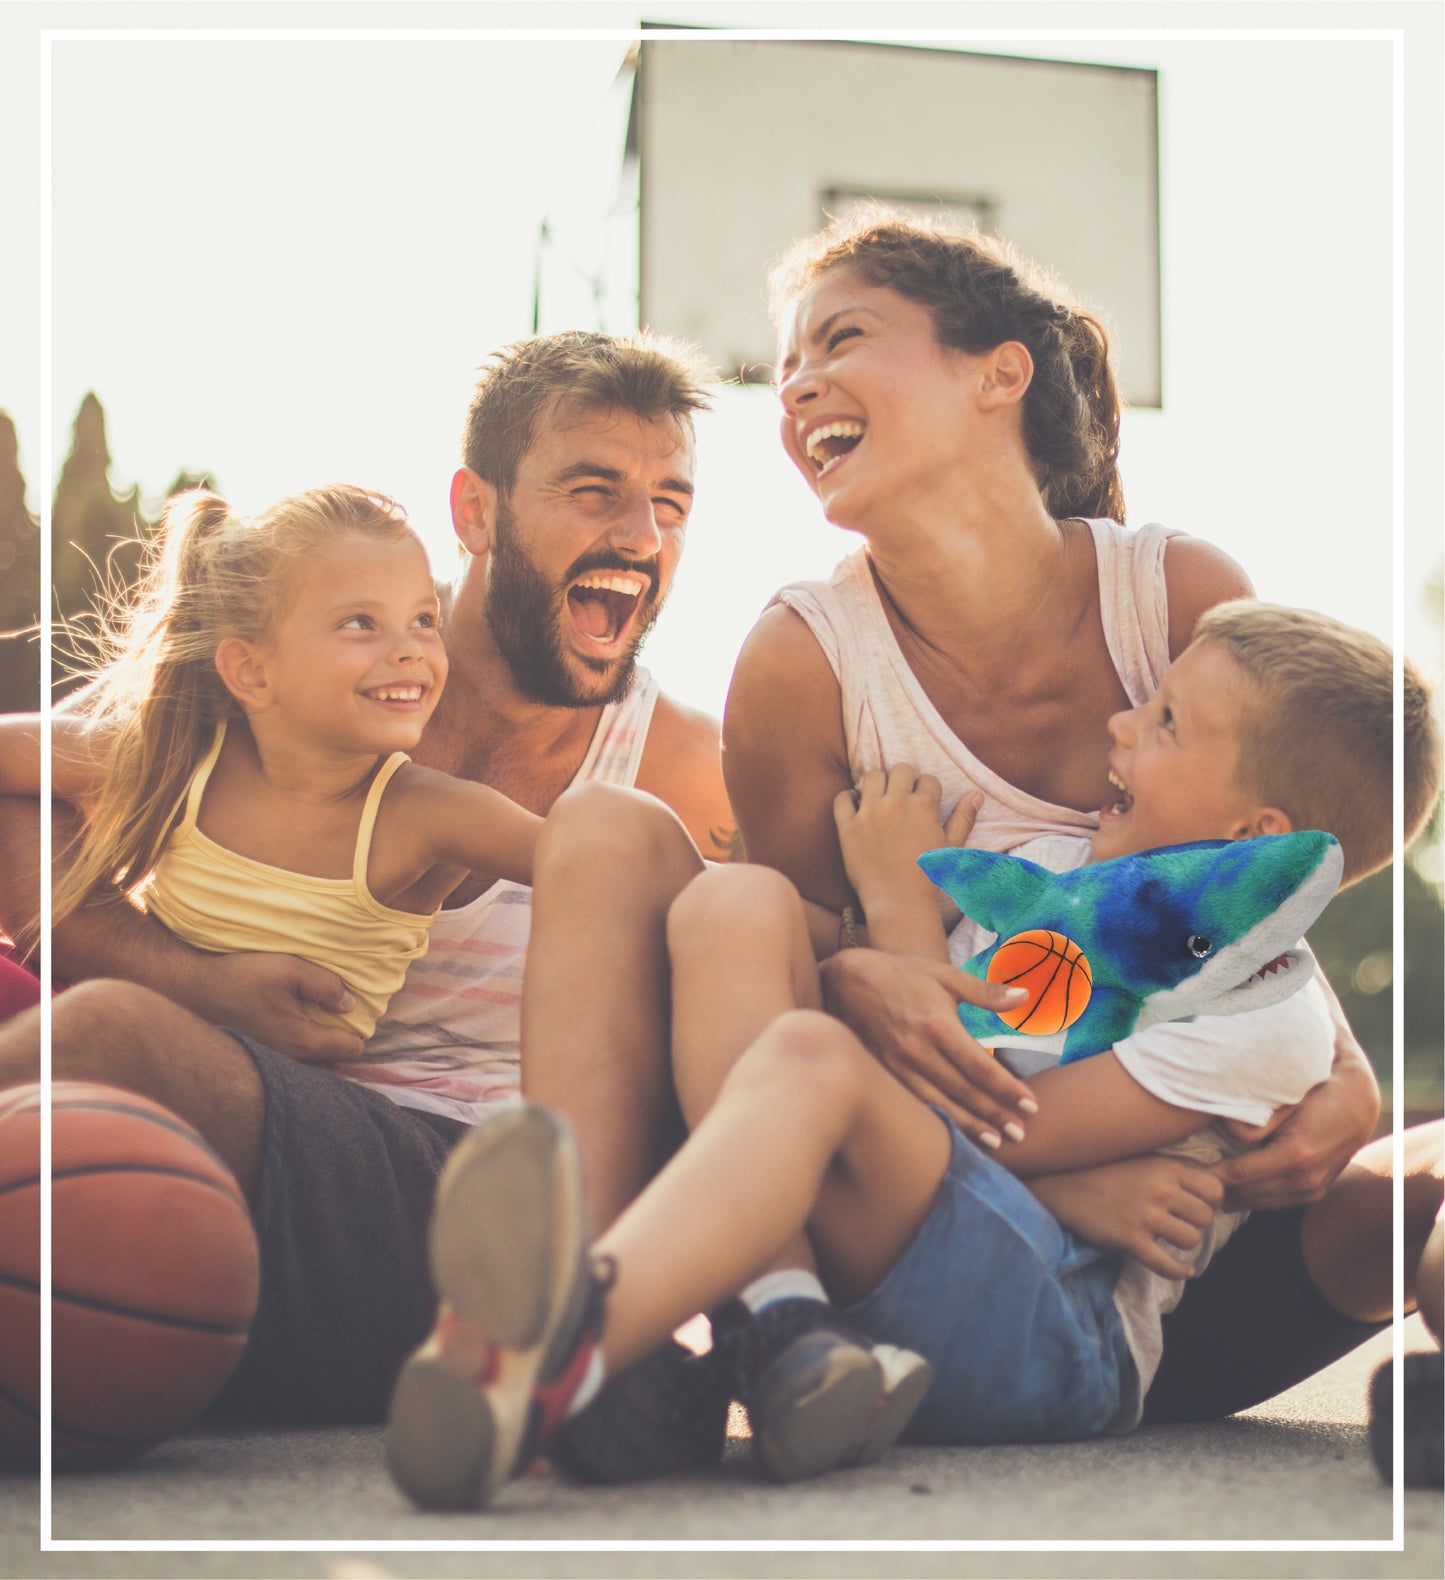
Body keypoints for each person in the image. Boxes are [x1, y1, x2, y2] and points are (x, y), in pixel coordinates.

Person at [384, 600, 1441, 1508]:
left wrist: (897, 904)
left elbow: (990, 1121)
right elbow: (878, 1017)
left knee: (810, 1059)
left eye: (1163, 720)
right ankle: (774, 1325)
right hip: (929, 1248)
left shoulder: (1267, 1016)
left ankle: (557, 1345)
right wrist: (788, 924)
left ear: (1254, 834)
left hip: (1053, 1331)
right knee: (734, 903)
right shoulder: (1055, 866)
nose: (1120, 723)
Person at [717, 206, 1434, 1419]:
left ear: (999, 374)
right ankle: (776, 1331)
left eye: (839, 339)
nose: (794, 386)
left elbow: (1264, 874)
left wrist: (1346, 1073)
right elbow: (780, 983)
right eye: (785, 363)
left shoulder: (1174, 596)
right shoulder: (804, 665)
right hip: (964, 1231)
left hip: (1196, 1236)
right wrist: (872, 954)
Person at [0, 330, 736, 1445]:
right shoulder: (313, 671)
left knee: (107, 1039)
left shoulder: (682, 764)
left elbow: (770, 951)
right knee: (102, 1043)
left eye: (670, 504)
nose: (640, 535)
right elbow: (35, 779)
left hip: (477, 1191)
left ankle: (541, 1343)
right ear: (476, 511)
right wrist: (196, 980)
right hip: (266, 1138)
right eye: (595, 491)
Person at [0, 485, 544, 1053]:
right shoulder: (186, 761)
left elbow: (584, 859)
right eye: (361, 622)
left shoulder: (434, 813)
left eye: (425, 619)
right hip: (114, 1029)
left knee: (92, 1026)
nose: (411, 649)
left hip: (246, 1084)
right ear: (251, 672)